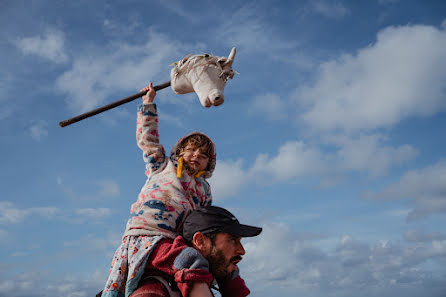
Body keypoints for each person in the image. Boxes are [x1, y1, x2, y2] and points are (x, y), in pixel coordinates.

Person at [101, 83, 217, 297]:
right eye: (191, 150)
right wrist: (148, 103)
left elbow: (204, 221)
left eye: (202, 156)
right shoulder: (163, 165)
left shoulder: (204, 189)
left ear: (208, 164)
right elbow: (148, 140)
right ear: (180, 151)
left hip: (173, 239)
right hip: (147, 235)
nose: (195, 157)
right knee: (191, 261)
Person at [130, 205, 262, 297]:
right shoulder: (152, 293)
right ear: (200, 241)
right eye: (232, 240)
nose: (242, 250)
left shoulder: (203, 286)